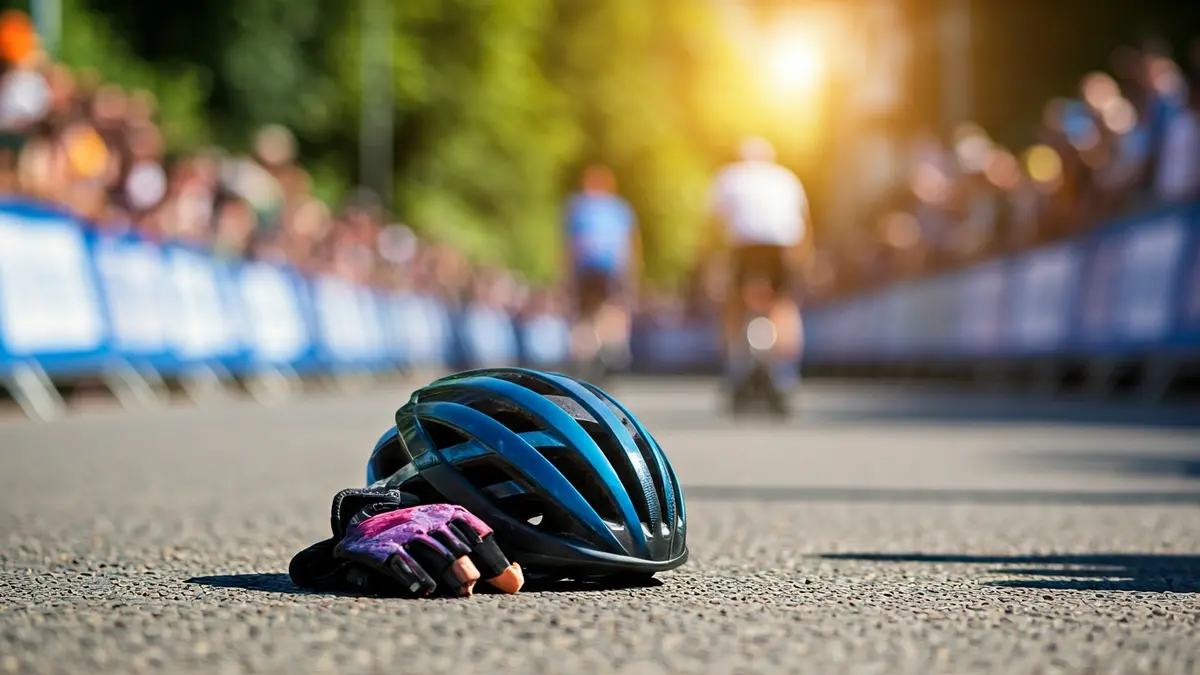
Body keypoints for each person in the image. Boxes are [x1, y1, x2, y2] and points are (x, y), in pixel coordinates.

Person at [705, 136, 814, 403]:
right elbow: (805, 226)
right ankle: (785, 373)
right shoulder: (787, 178)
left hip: (745, 247)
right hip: (780, 247)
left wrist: (709, 264)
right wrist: (804, 265)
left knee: (733, 305)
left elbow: (713, 226)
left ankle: (735, 368)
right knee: (783, 306)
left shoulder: (729, 177)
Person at [562, 164, 641, 374]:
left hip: (602, 268)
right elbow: (571, 244)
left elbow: (628, 243)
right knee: (597, 311)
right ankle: (598, 353)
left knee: (598, 311)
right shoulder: (608, 208)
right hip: (595, 268)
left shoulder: (584, 207)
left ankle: (597, 353)